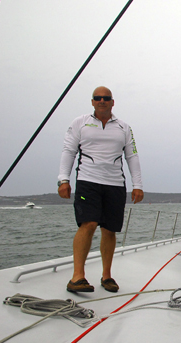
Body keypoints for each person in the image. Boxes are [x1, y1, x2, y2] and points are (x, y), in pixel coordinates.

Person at [58, 86, 144, 293]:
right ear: (92, 101)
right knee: (88, 223)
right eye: (98, 98)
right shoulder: (79, 123)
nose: (102, 101)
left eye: (106, 98)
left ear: (112, 102)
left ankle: (107, 276)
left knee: (109, 229)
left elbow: (131, 156)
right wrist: (63, 179)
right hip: (88, 181)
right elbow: (69, 151)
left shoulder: (124, 127)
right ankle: (77, 276)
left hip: (115, 183)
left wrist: (138, 185)